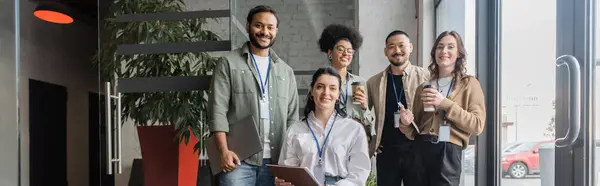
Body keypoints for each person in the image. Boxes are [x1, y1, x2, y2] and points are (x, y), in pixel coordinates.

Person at [208, 5, 299, 186]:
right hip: (238, 159)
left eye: (270, 27)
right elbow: (217, 110)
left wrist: (290, 162)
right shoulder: (228, 63)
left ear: (276, 31)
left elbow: (292, 119)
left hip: (275, 161)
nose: (264, 32)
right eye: (259, 25)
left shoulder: (285, 71)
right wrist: (223, 151)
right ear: (248, 26)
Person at [399, 30, 486, 186]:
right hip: (420, 149)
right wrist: (406, 124)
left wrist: (444, 103)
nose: (444, 51)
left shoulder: (469, 84)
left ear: (459, 53)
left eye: (450, 47)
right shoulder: (423, 87)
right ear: (434, 52)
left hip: (449, 152)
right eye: (440, 47)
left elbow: (477, 125)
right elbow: (415, 131)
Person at [276, 67, 371, 186]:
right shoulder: (295, 130)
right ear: (311, 90)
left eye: (332, 88)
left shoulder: (353, 129)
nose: (326, 93)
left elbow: (359, 172)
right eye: (320, 87)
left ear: (338, 95)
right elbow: (288, 169)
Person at [365, 30, 429, 186]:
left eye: (401, 45)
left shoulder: (425, 76)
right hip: (386, 151)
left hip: (416, 149)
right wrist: (371, 141)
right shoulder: (374, 82)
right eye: (391, 47)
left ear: (410, 47)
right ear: (386, 51)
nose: (397, 51)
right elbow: (363, 114)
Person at [317, 24, 375, 140]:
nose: (345, 54)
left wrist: (364, 107)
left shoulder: (359, 82)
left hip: (354, 138)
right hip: (329, 137)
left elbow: (368, 122)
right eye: (340, 49)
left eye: (350, 51)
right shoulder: (321, 80)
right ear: (330, 53)